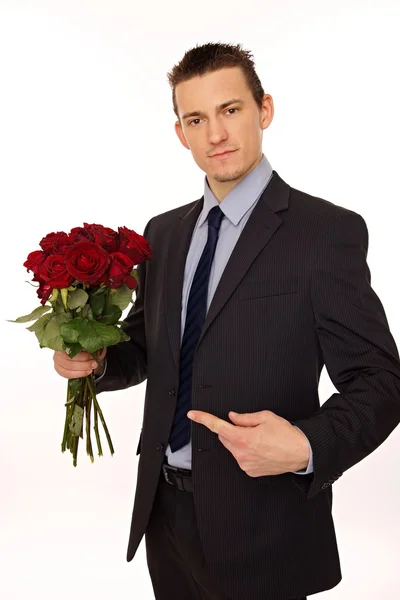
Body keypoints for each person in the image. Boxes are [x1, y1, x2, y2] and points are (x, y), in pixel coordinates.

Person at [53, 42, 400, 600]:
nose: (216, 133)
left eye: (231, 110)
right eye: (197, 118)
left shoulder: (325, 233)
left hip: (265, 524)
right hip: (163, 513)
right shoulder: (163, 234)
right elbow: (146, 346)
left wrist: (308, 445)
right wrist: (92, 361)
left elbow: (382, 382)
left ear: (264, 110)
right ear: (180, 133)